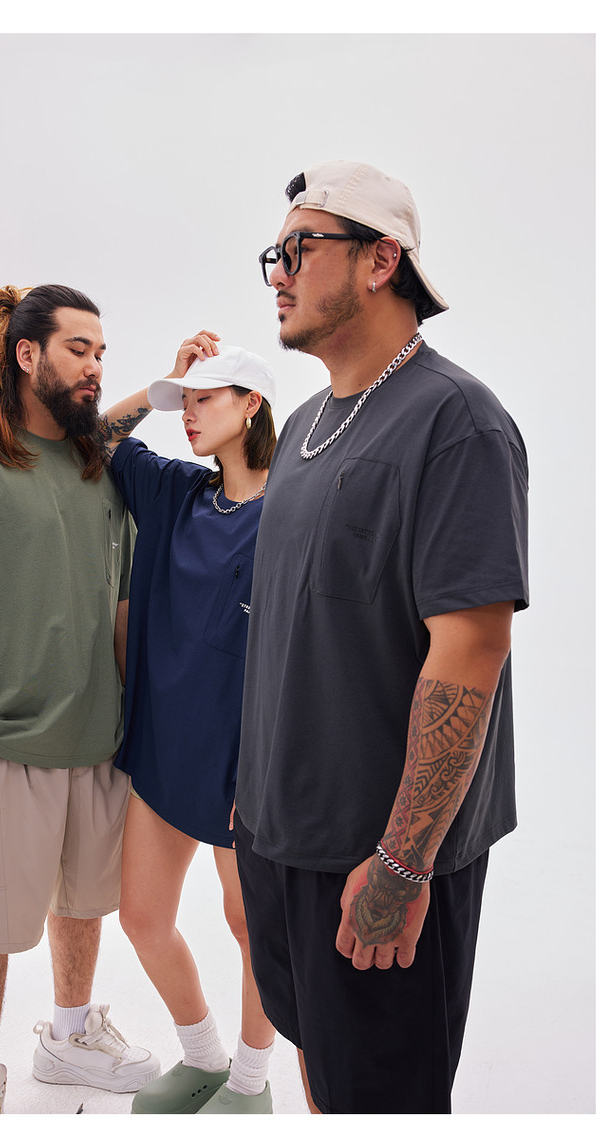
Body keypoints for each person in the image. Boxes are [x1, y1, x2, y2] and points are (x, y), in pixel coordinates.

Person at [233, 161, 529, 1114]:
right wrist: (251, 796)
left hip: (378, 856)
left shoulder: (457, 422)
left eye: (300, 248)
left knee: (384, 1101)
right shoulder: (305, 426)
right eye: (274, 253)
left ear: (380, 260)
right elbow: (293, 629)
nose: (278, 271)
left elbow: (472, 651)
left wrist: (402, 866)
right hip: (281, 837)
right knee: (318, 1059)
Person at [0, 284, 160, 1114]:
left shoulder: (96, 463)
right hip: (5, 744)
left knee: (83, 903)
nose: (94, 365)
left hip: (99, 737)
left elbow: (124, 594)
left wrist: (162, 389)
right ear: (27, 353)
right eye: (79, 349)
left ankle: (69, 1040)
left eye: (101, 353)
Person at [96, 335, 278, 1114]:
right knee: (141, 917)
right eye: (185, 402)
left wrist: (267, 771)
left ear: (252, 404)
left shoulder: (295, 510)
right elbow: (94, 440)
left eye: (206, 399)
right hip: (165, 749)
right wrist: (163, 380)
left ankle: (251, 1084)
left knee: (253, 929)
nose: (189, 414)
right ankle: (203, 1058)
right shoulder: (178, 493)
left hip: (245, 764)